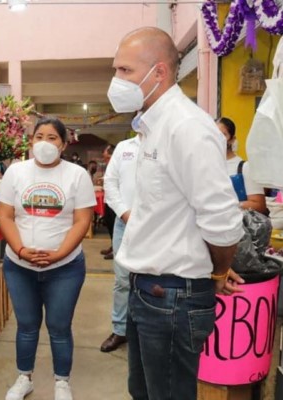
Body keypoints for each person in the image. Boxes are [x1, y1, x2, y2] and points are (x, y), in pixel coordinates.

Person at [108, 27, 244, 400]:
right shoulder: (153, 126)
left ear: (160, 73)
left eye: (125, 71)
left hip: (172, 296)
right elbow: (173, 211)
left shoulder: (186, 127)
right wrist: (207, 260)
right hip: (148, 289)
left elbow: (222, 222)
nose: (116, 82)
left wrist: (215, 271)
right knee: (144, 391)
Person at [0, 117, 95, 400]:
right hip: (19, 267)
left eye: (52, 137)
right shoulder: (16, 173)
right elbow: (4, 215)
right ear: (31, 142)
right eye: (39, 136)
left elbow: (82, 220)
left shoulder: (77, 175)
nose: (44, 142)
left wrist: (59, 254)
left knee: (59, 326)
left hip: (65, 268)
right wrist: (20, 250)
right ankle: (23, 378)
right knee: (26, 326)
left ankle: (61, 382)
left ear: (63, 144)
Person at [100, 134, 140, 353]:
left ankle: (144, 333)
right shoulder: (124, 147)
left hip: (158, 225)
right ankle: (120, 330)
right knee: (123, 280)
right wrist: (124, 213)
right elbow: (110, 182)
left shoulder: (168, 143)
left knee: (154, 280)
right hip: (124, 223)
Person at [216, 117, 268, 215]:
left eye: (222, 135)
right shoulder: (206, 167)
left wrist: (231, 205)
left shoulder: (244, 167)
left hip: (238, 227)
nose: (217, 139)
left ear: (232, 139)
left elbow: (259, 205)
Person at [99, 144, 116, 259]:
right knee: (109, 223)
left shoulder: (118, 165)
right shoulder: (109, 166)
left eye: (107, 157)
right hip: (108, 198)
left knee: (115, 224)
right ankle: (113, 245)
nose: (105, 160)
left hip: (116, 200)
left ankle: (117, 249)